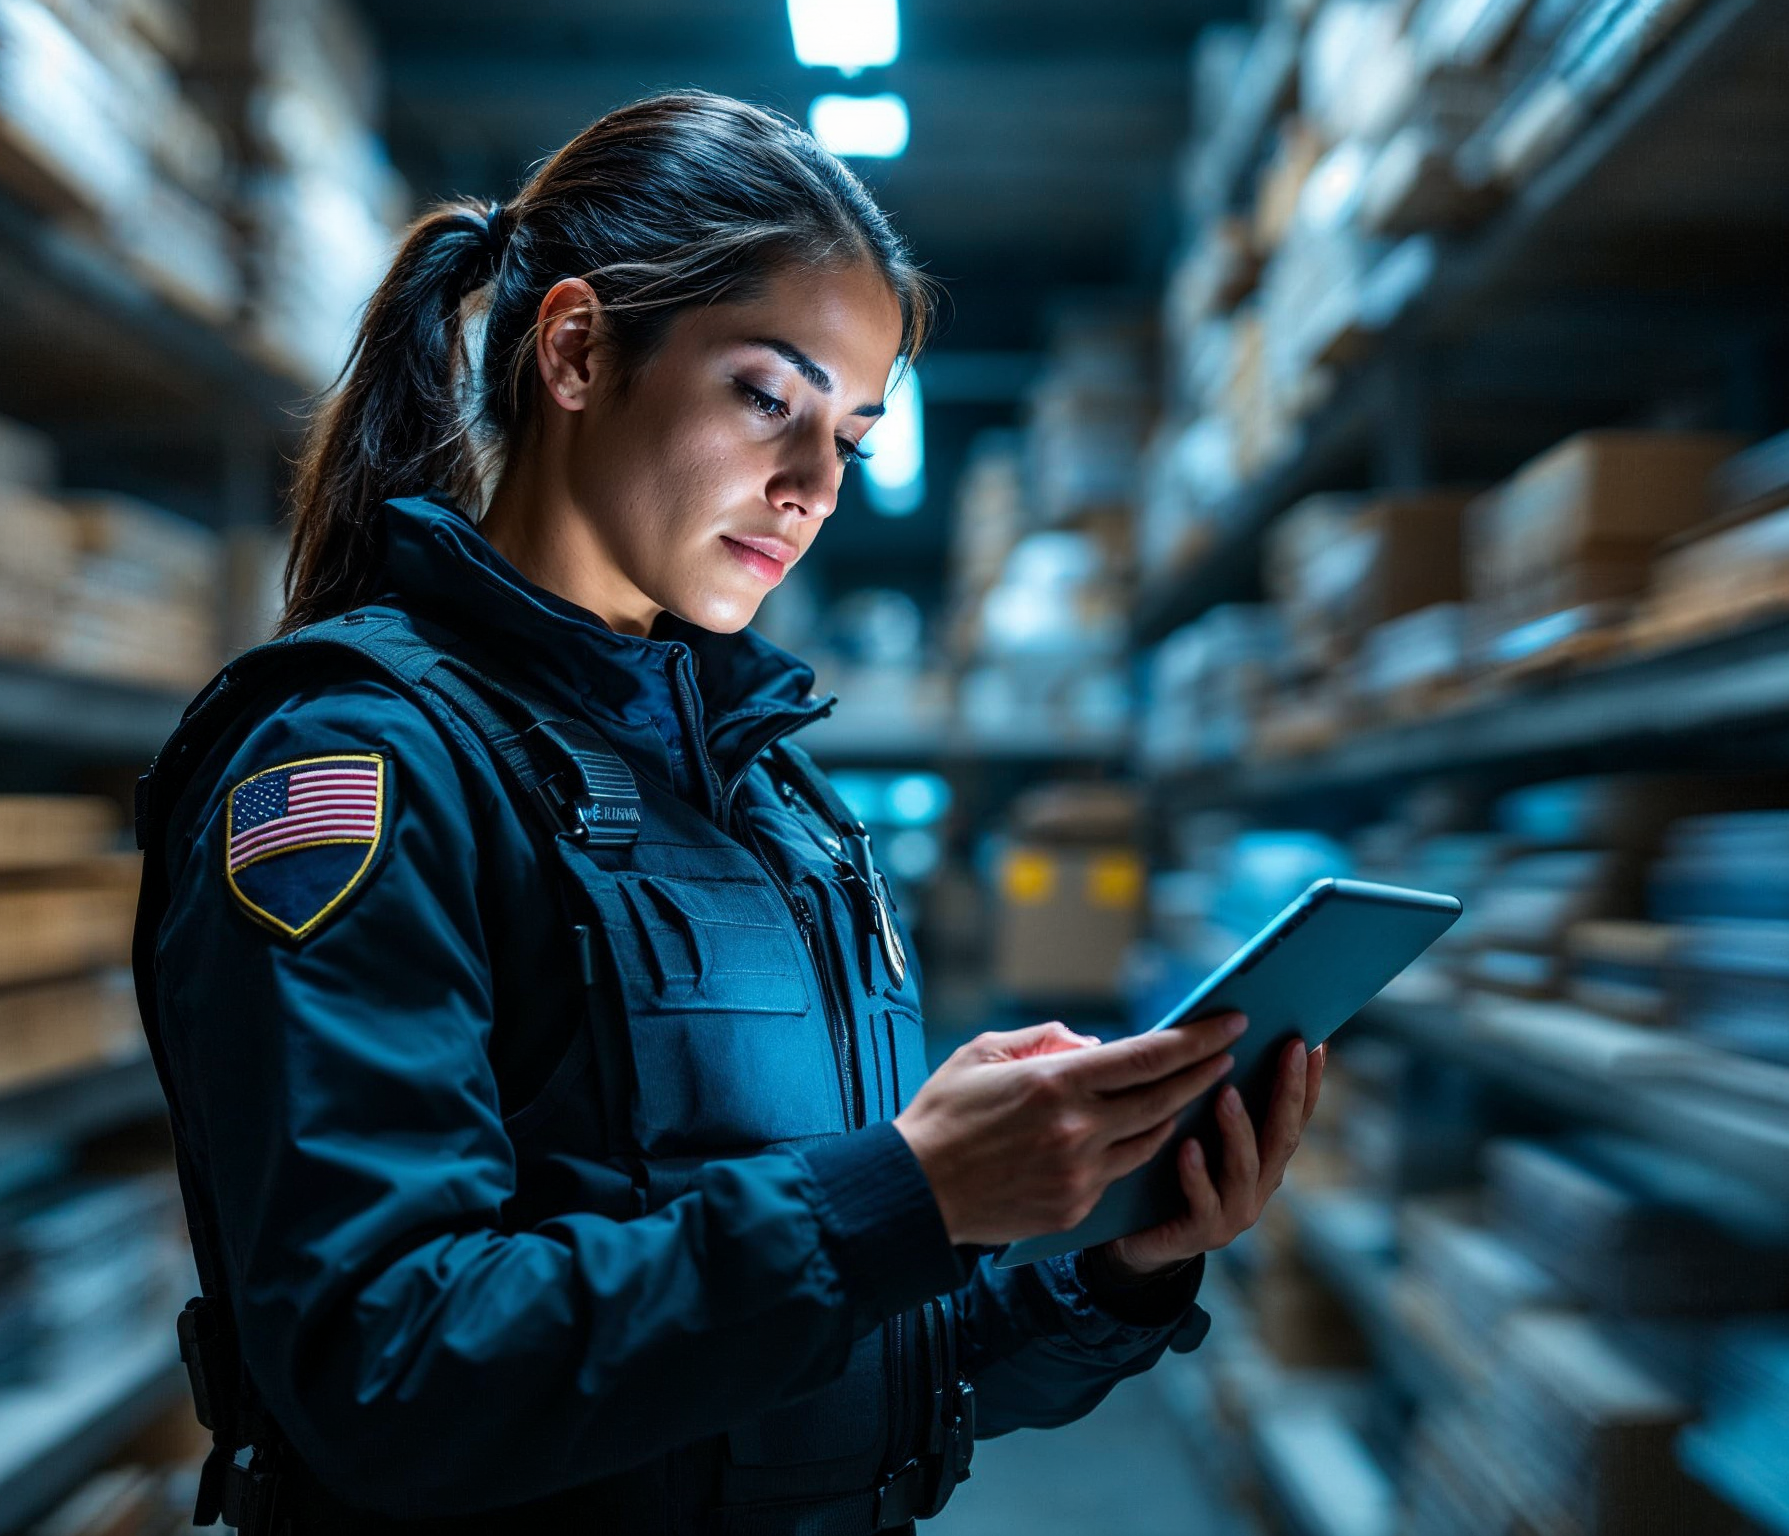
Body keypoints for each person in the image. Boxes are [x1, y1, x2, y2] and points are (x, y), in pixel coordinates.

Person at [131, 90, 1327, 1535]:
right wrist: (903, 1198)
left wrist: (1115, 1269)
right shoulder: (362, 769)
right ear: (576, 352)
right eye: (769, 397)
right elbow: (388, 1371)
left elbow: (833, 1380)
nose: (816, 485)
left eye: (855, 436)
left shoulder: (777, 807)